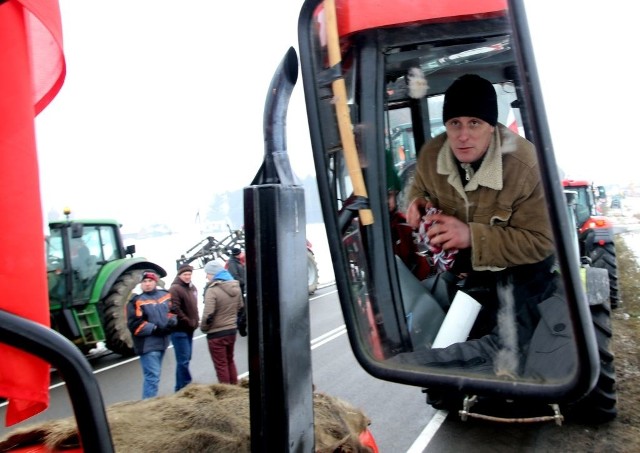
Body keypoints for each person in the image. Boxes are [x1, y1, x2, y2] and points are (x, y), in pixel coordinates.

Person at [400, 74, 557, 375]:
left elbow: (541, 241)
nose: (462, 135)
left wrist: (471, 236)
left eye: (474, 123)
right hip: (472, 268)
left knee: (515, 354)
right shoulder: (432, 154)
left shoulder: (526, 166)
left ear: (492, 127)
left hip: (524, 270)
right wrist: (416, 202)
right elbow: (419, 187)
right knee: (448, 338)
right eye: (454, 123)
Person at [127, 270, 177, 399]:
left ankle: (150, 403)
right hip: (148, 345)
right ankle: (148, 405)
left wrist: (171, 323)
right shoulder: (136, 300)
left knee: (155, 376)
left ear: (155, 282)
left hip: (163, 343)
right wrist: (155, 329)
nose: (147, 284)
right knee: (152, 378)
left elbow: (173, 311)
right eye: (144, 281)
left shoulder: (165, 295)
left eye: (150, 281)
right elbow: (135, 325)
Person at [200, 259, 244, 385]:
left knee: (221, 364)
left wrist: (204, 328)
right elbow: (240, 307)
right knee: (230, 360)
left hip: (216, 333)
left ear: (213, 274)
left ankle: (226, 392)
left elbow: (208, 314)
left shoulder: (212, 290)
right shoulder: (235, 286)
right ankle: (234, 386)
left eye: (207, 273)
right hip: (231, 330)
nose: (206, 276)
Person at [168, 264, 199, 392]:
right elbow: (174, 308)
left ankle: (179, 388)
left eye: (189, 274)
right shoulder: (175, 289)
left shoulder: (192, 288)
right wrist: (187, 320)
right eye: (185, 275)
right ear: (179, 275)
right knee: (183, 360)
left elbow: (194, 306)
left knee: (185, 359)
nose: (187, 277)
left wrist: (195, 320)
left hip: (189, 328)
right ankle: (187, 385)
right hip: (179, 329)